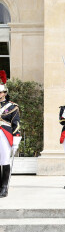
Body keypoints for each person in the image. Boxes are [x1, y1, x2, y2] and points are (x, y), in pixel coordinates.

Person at [0, 70, 21, 198]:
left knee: (5, 160)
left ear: (5, 93)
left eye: (1, 92)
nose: (0, 94)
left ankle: (4, 187)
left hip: (5, 134)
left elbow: (16, 123)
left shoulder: (12, 107)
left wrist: (16, 139)